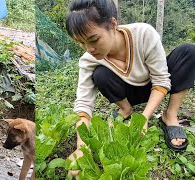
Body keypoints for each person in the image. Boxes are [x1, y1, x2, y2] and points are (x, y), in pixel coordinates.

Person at [66, 0, 195, 176]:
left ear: (112, 24)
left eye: (94, 39)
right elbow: (83, 104)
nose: (89, 49)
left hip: (154, 87)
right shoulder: (88, 59)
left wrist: (143, 119)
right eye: (80, 43)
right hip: (128, 92)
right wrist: (81, 146)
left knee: (189, 51)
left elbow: (161, 80)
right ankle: (126, 109)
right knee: (101, 75)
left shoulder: (143, 34)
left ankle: (169, 115)